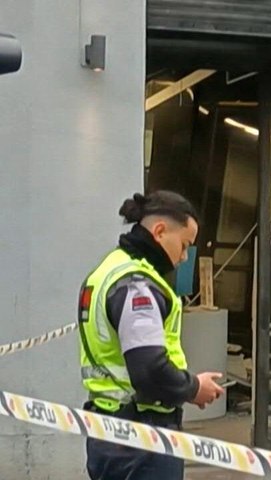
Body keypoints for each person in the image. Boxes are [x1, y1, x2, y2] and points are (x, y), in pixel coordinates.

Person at [78, 191, 224, 480]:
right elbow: (149, 370)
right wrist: (195, 388)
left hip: (111, 430)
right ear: (159, 231)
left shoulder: (108, 269)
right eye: (184, 245)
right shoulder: (137, 285)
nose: (183, 257)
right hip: (141, 436)